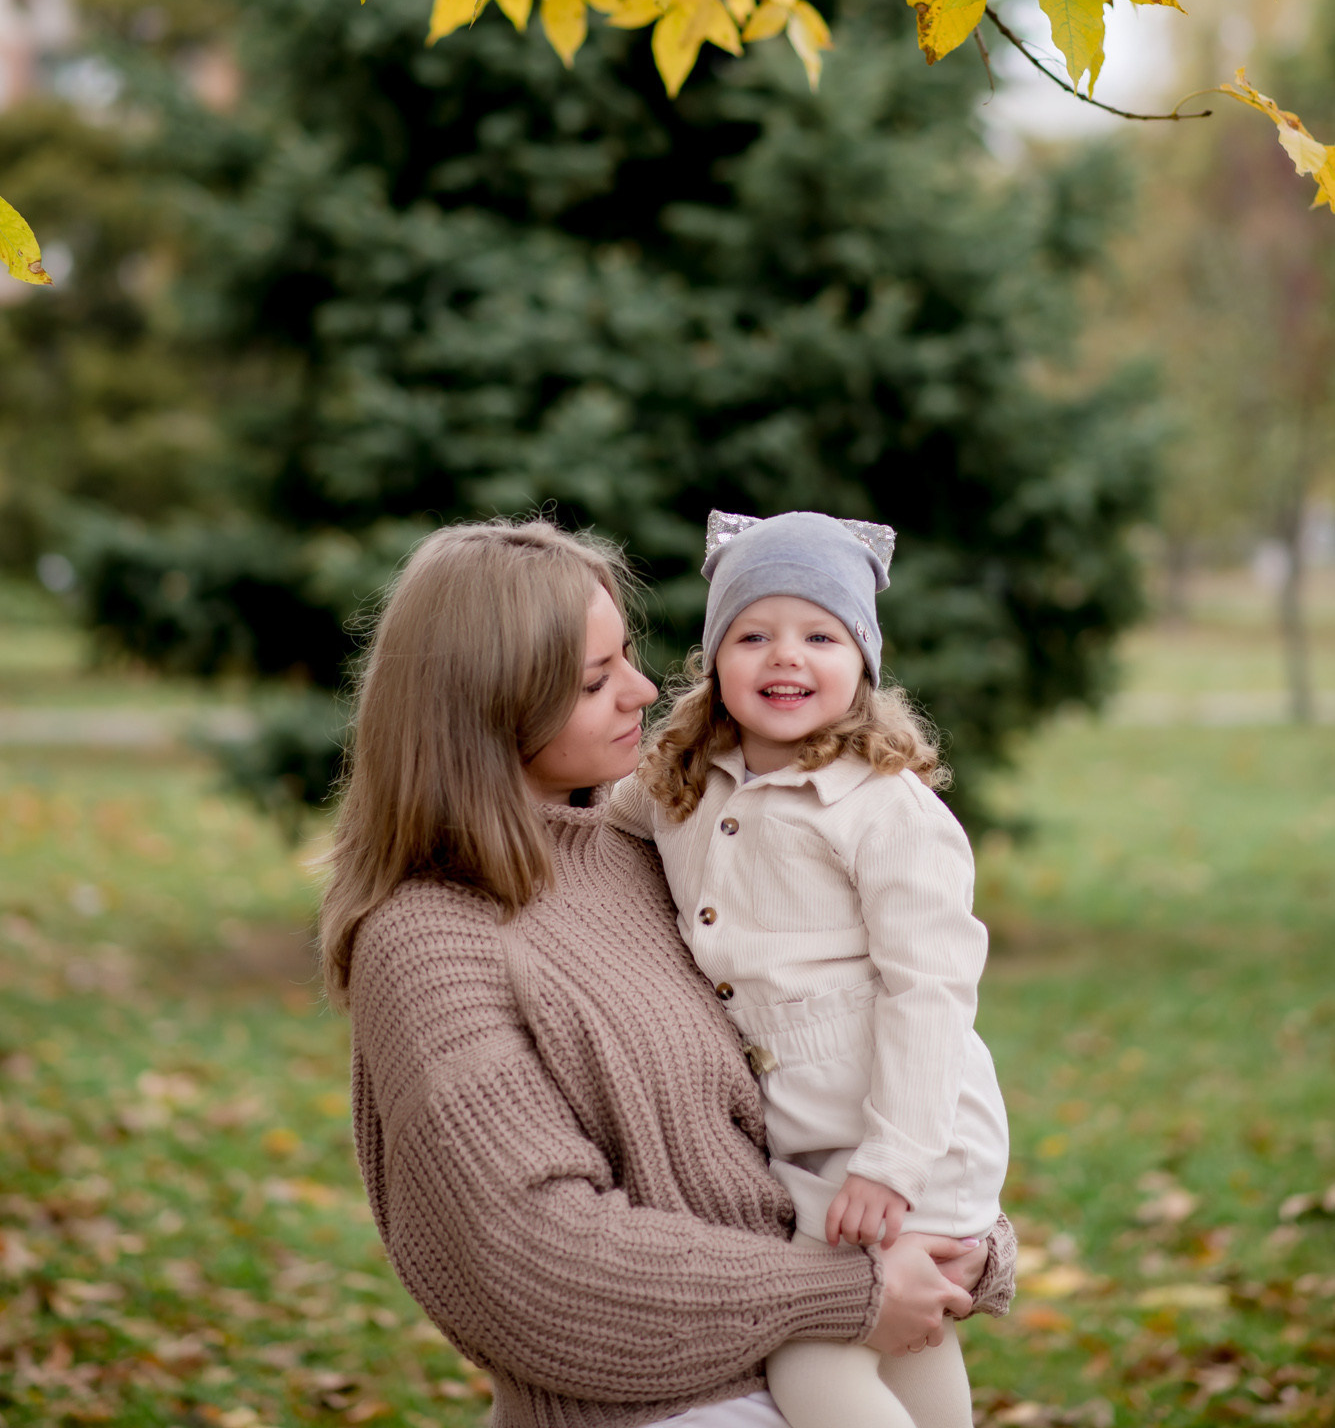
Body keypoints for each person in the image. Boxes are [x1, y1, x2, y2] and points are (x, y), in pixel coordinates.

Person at [320, 519, 1014, 1428]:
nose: (645, 690)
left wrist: (950, 1236)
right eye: (593, 680)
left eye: (627, 657)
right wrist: (846, 1292)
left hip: (840, 1304)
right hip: (670, 1405)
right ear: (485, 706)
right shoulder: (430, 942)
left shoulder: (646, 850)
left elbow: (835, 1047)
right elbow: (538, 1261)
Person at [609, 511, 1011, 1428]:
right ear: (714, 658)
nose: (784, 656)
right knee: (906, 1339)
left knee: (812, 1356)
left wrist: (892, 1163)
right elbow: (591, 827)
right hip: (807, 1130)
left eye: (820, 637)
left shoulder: (884, 808)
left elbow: (930, 991)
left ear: (862, 661)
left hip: (902, 1132)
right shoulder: (684, 781)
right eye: (752, 635)